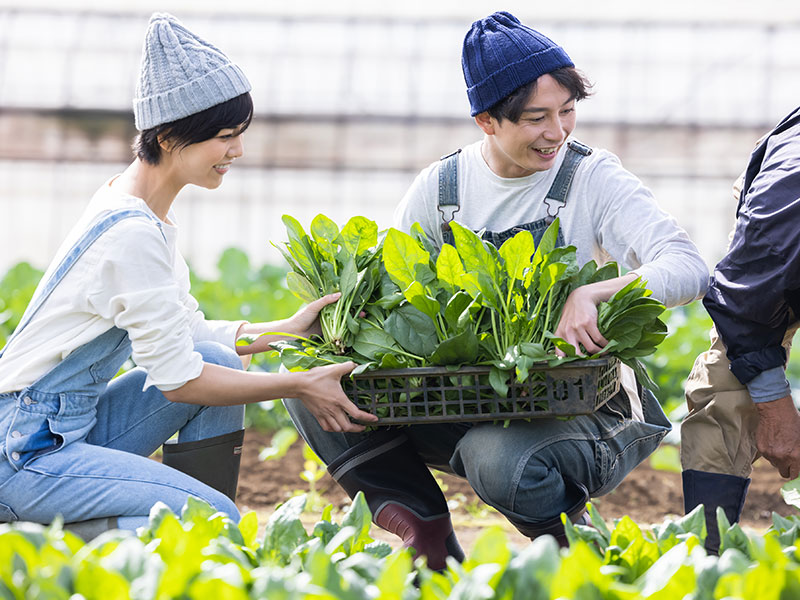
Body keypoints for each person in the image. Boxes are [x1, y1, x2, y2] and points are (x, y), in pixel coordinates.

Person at [283, 11, 708, 568]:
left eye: (567, 111)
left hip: (587, 404)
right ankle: (429, 546)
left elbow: (688, 266)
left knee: (497, 457)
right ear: (486, 120)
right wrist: (342, 322)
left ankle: (571, 547)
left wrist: (595, 294)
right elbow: (390, 286)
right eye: (537, 118)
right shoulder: (442, 189)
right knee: (309, 389)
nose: (557, 132)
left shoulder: (592, 177)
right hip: (470, 395)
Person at [0, 13, 375, 541]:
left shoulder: (140, 211)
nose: (237, 151)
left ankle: (189, 540)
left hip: (61, 428)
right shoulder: (130, 233)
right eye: (225, 137)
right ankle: (30, 542)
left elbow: (189, 338)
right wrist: (298, 383)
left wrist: (289, 331)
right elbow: (179, 383)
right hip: (22, 452)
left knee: (219, 364)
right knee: (209, 517)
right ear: (172, 135)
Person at [681, 105, 800, 553]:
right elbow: (747, 304)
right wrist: (773, 405)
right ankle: (707, 556)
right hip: (775, 248)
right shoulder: (783, 216)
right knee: (730, 384)